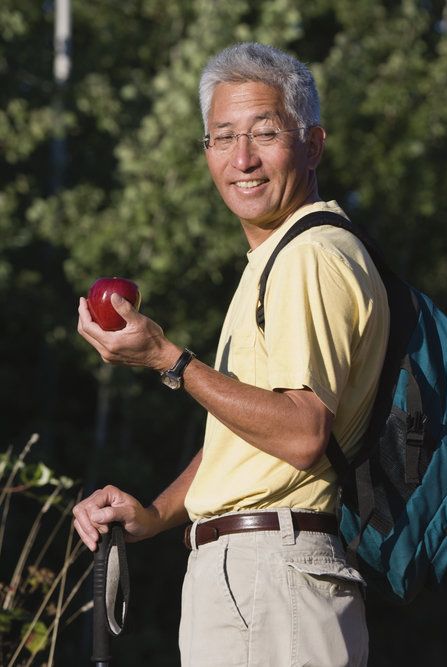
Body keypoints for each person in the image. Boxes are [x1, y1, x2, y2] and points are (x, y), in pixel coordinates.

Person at [71, 42, 388, 666]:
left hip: (271, 579)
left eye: (265, 133)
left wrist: (168, 357)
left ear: (313, 145)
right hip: (260, 579)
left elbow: (300, 432)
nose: (242, 159)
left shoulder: (309, 257)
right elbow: (256, 435)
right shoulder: (277, 258)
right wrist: (159, 512)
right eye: (222, 137)